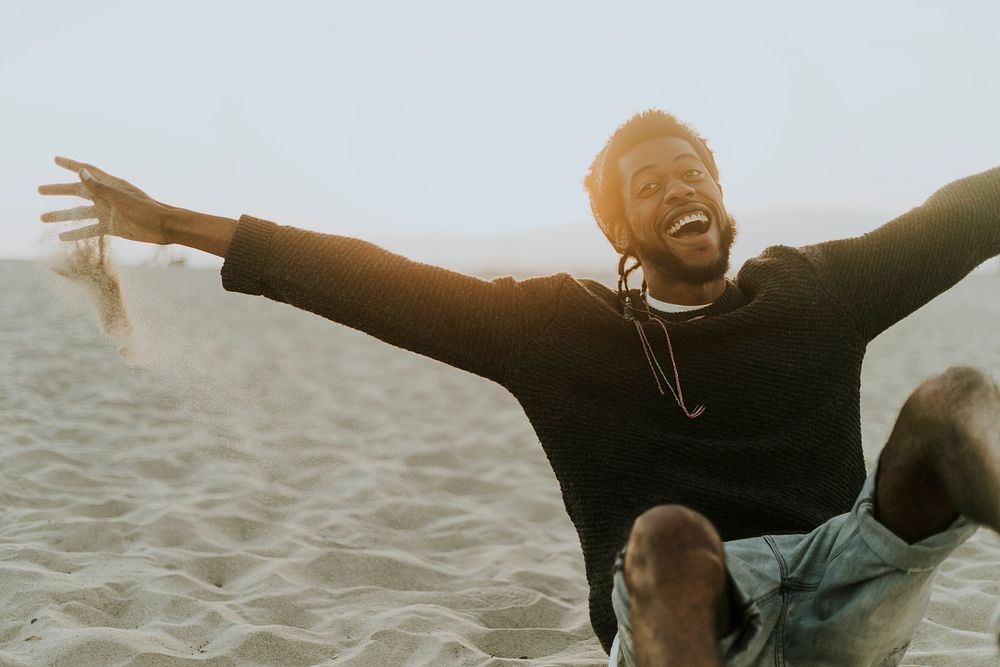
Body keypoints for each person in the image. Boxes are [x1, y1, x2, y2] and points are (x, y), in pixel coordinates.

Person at [39, 110, 1000, 666]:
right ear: (622, 235)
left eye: (690, 171)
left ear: (721, 190)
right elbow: (374, 280)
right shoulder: (561, 329)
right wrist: (170, 222)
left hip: (841, 573)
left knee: (955, 399)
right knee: (669, 535)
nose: (677, 189)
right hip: (685, 615)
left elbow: (961, 216)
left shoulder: (814, 289)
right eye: (649, 186)